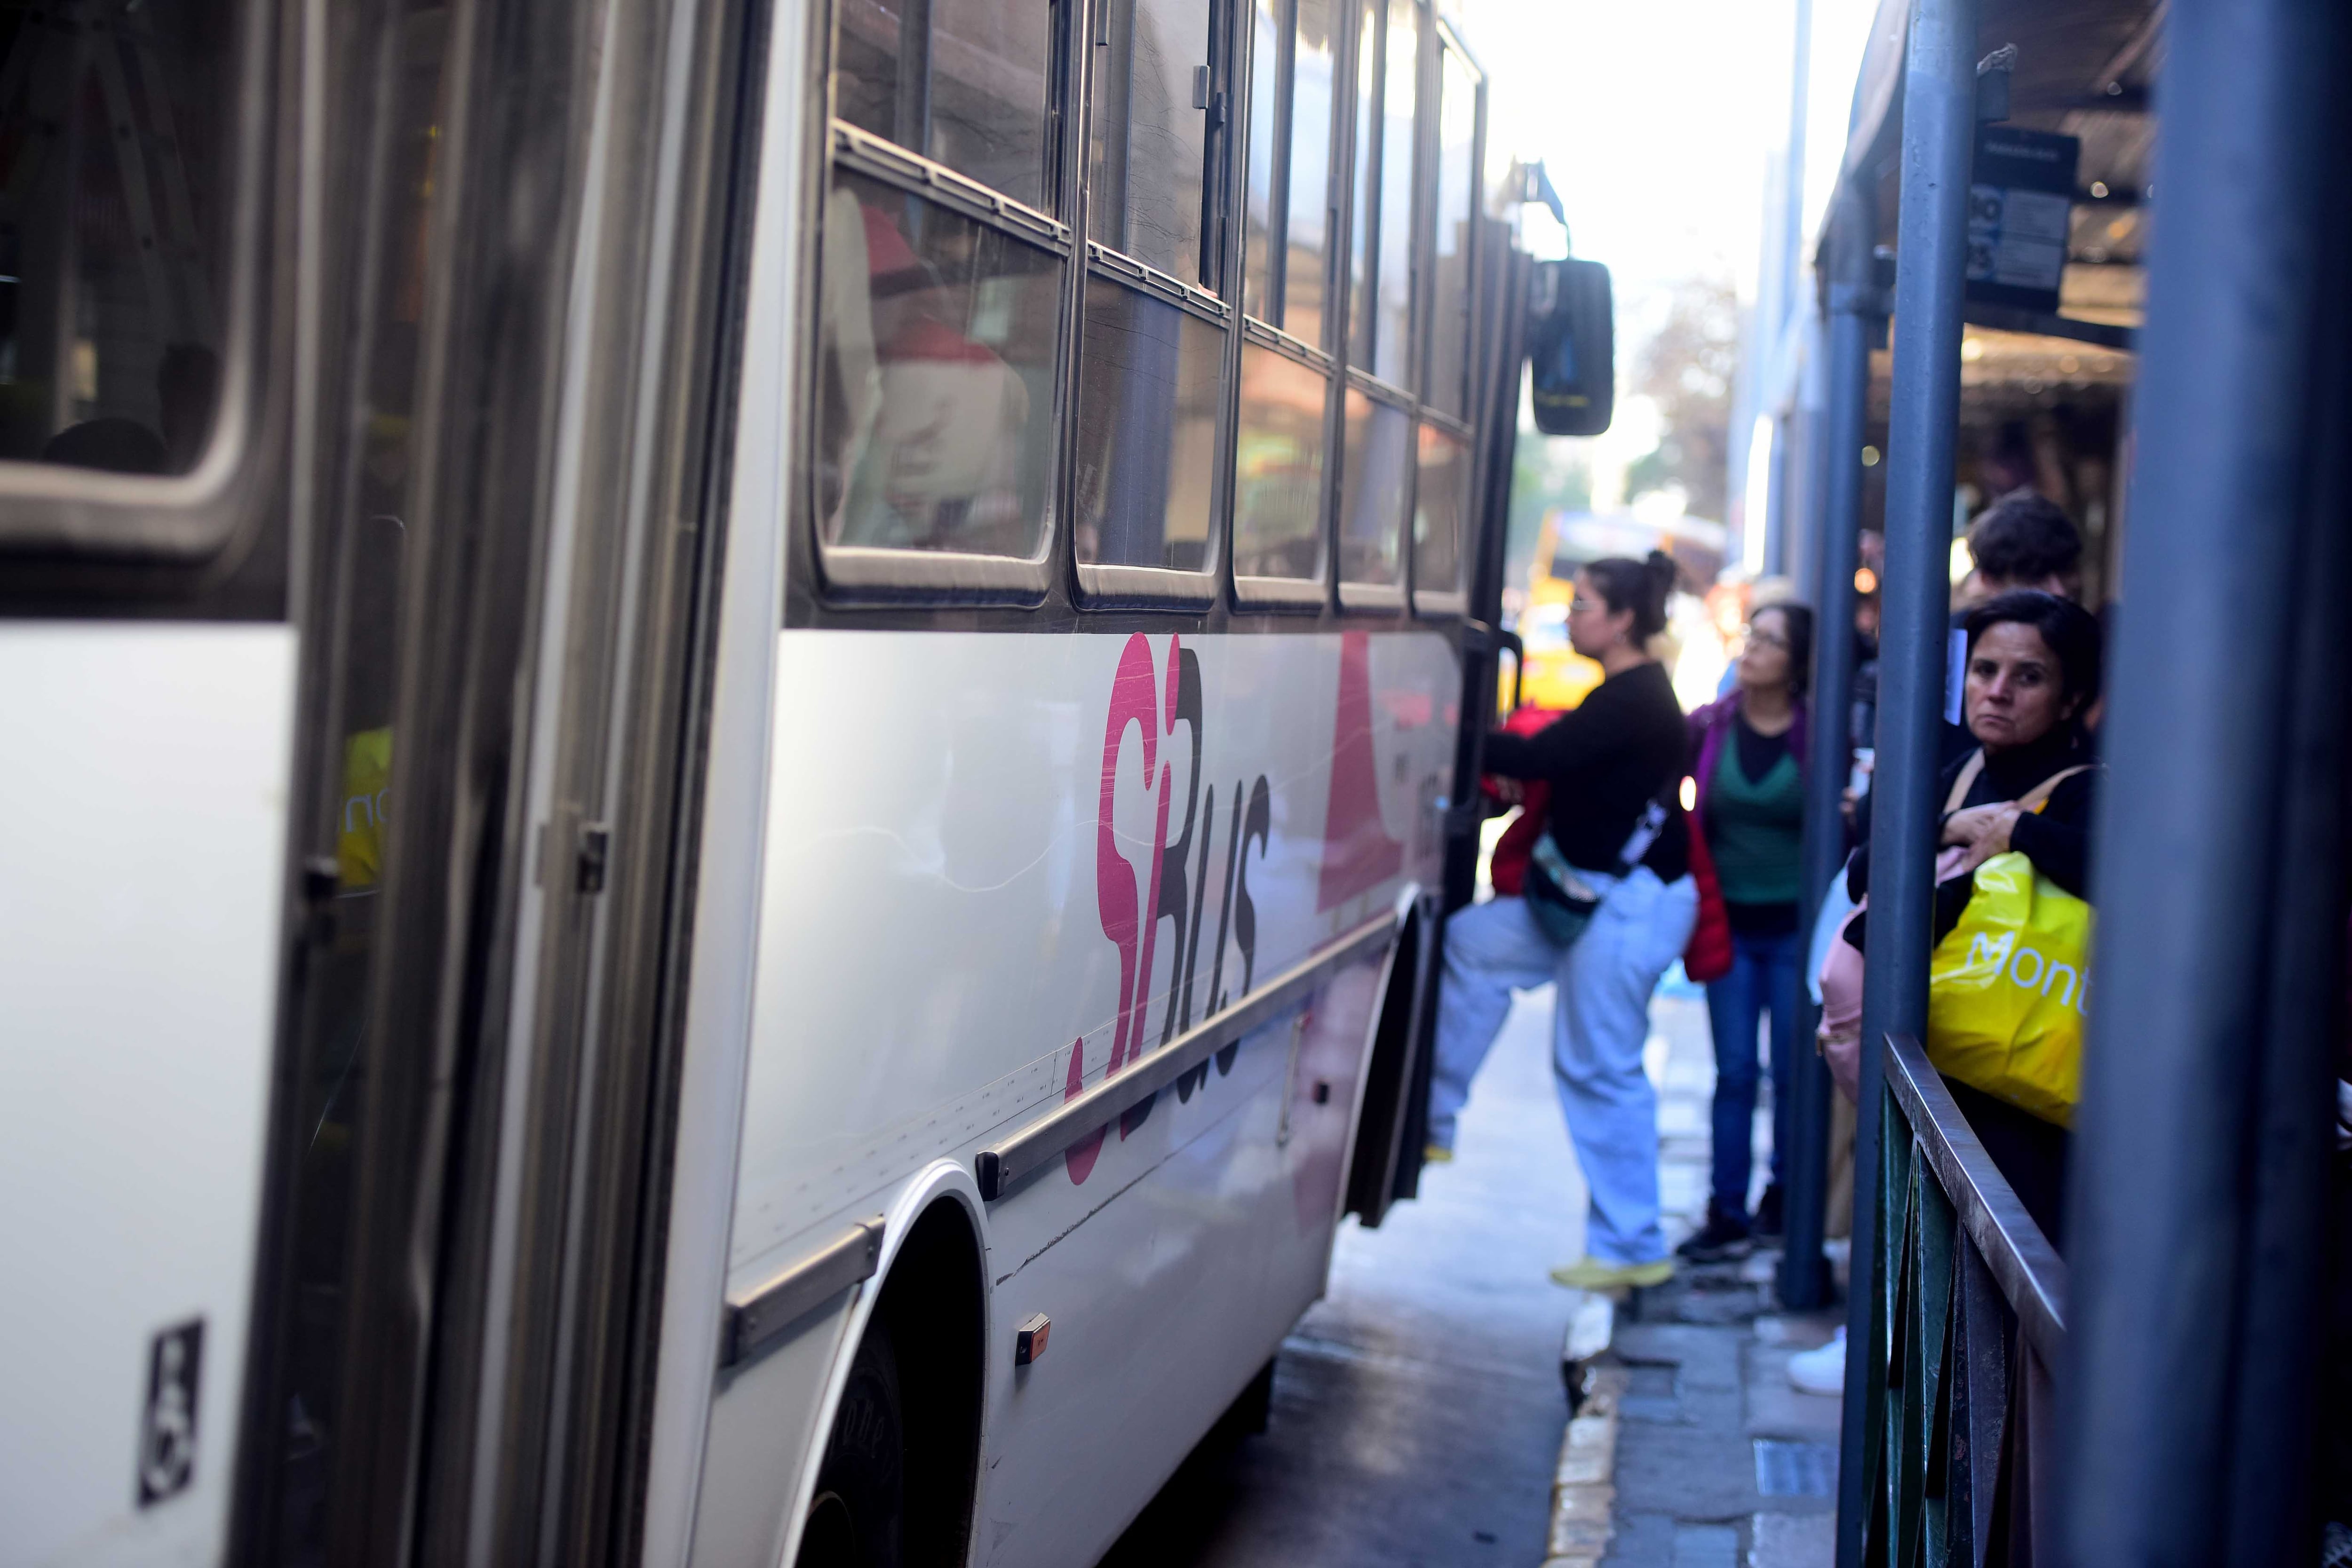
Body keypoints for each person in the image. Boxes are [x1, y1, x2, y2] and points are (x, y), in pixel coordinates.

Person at [1427, 552, 1698, 1291]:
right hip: (1598, 899)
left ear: (1622, 620)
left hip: (1630, 905)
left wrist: (1441, 729)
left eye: (1582, 605)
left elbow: (1544, 756)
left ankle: (1631, 1243)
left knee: (1599, 1068)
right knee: (1473, 946)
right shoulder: (1630, 690)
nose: (1570, 616)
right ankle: (1433, 1123)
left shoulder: (1635, 696)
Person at [1841, 589, 2101, 1242]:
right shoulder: (1959, 776)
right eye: (1985, 670)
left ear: (2072, 698)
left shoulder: (2087, 790)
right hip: (1938, 1065)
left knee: (2017, 1264)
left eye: (2029, 676)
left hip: (2031, 1096)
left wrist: (2020, 832)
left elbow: (2121, 879)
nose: (1998, 691)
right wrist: (1952, 826)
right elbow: (1862, 871)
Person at [1678, 602, 1814, 1262]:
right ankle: (1724, 1209)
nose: (1753, 647)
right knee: (1734, 1071)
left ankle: (1784, 1199)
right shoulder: (1711, 726)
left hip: (1796, 929)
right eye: (1752, 635)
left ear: (1798, 662)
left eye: (1771, 639)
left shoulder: (1817, 736)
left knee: (1792, 1073)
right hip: (1727, 926)